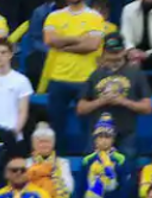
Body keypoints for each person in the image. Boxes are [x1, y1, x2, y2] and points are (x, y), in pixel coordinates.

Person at [77, 32, 152, 159]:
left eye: (117, 52)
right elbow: (81, 108)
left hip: (126, 133)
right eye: (111, 53)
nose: (114, 57)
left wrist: (123, 101)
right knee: (95, 173)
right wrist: (102, 101)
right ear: (104, 52)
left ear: (124, 51)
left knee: (127, 172)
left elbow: (147, 108)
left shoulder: (135, 73)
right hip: (99, 135)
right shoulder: (95, 75)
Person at [43, 0, 106, 142]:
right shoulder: (54, 16)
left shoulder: (94, 16)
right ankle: (57, 161)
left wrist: (63, 46)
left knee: (89, 128)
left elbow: (91, 45)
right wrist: (79, 38)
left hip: (86, 78)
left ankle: (89, 161)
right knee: (55, 126)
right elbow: (49, 40)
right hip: (58, 78)